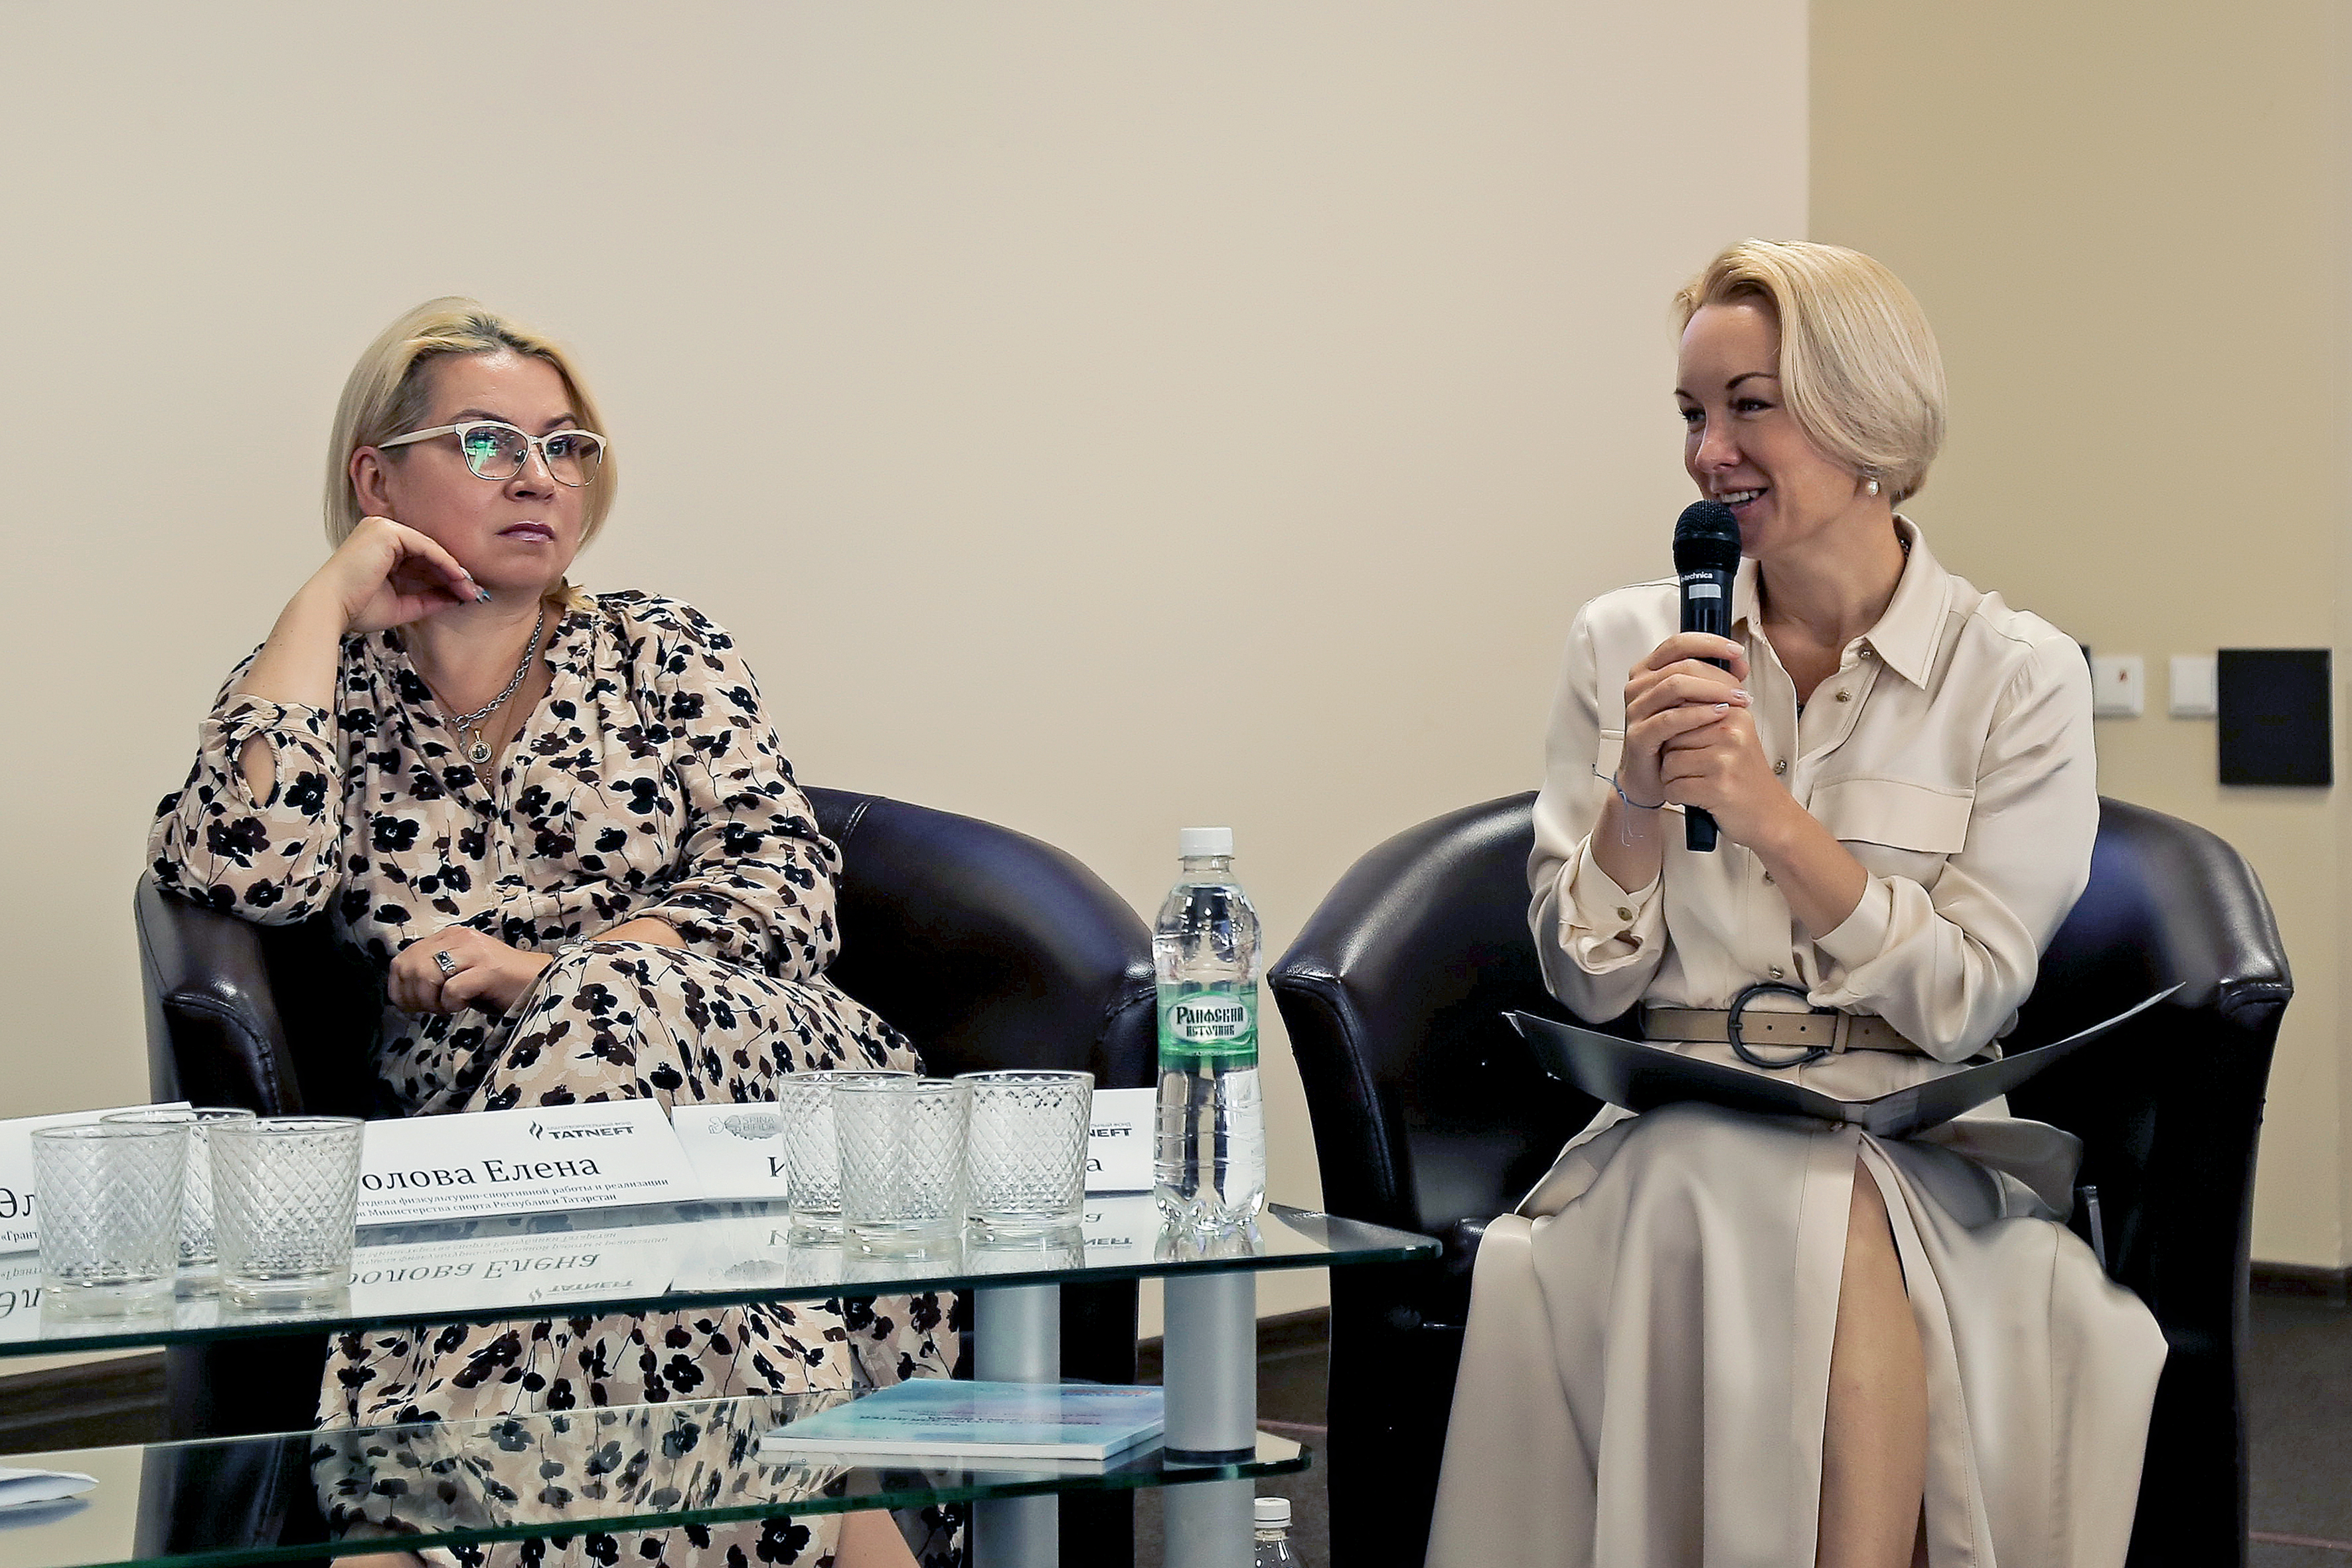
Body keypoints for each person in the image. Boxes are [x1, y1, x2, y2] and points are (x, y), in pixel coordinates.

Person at [149, 299, 951, 1568]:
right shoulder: (327, 688)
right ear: (376, 478)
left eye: (567, 445)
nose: (539, 475)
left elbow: (786, 884)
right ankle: (840, 1524)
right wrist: (320, 608)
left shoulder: (663, 648)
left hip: (764, 1084)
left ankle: (400, 1533)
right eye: (486, 442)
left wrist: (552, 973)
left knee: (603, 1004)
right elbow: (239, 868)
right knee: (616, 1194)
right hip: (493, 1149)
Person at [1423, 242, 2167, 1568]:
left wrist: (1769, 816)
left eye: (1747, 406)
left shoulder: (2018, 676)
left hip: (1921, 1135)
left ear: (1864, 418)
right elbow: (1587, 982)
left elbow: (1964, 1000)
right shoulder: (1623, 642)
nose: (1706, 455)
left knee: (1849, 1198)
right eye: (1690, 413)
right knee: (1781, 1195)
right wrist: (1636, 799)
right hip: (1679, 1128)